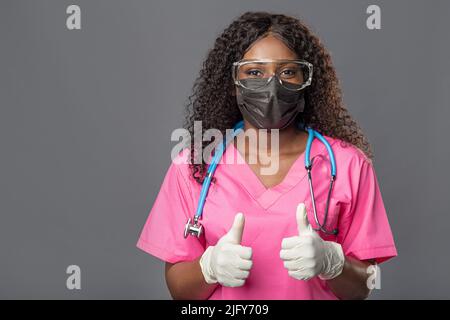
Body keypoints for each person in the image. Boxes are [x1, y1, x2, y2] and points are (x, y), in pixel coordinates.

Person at [136, 11, 397, 300]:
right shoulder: (195, 165)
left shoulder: (348, 165)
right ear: (233, 82)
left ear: (306, 80)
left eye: (287, 72)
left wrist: (332, 263)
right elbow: (180, 291)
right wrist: (208, 268)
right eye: (254, 72)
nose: (272, 87)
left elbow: (363, 287)